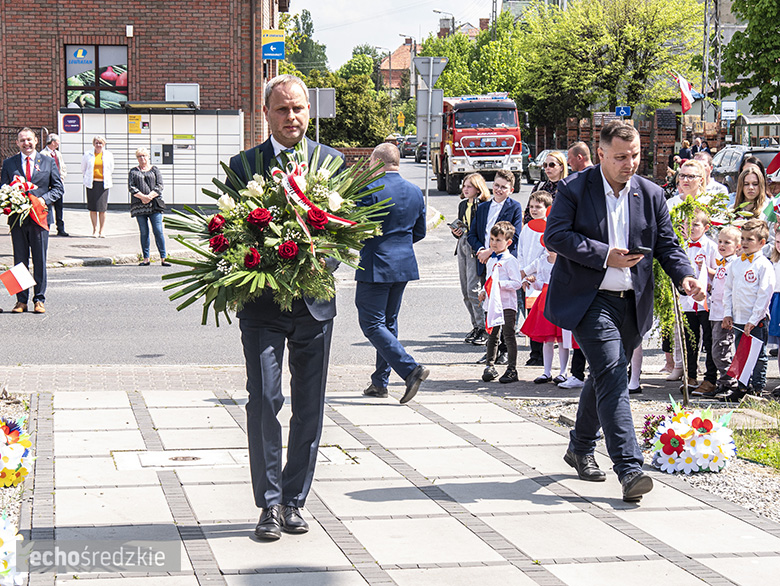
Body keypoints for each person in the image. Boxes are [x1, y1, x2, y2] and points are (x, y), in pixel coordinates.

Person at [544, 121, 703, 502]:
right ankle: (630, 468)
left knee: (604, 375)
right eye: (620, 157)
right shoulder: (574, 188)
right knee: (614, 374)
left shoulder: (650, 193)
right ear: (601, 154)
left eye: (634, 156)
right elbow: (556, 235)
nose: (629, 163)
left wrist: (686, 276)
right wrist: (605, 256)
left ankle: (580, 446)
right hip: (589, 300)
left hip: (632, 302)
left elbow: (667, 245)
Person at [226, 74, 345, 541]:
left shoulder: (331, 162)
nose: (291, 116)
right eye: (282, 109)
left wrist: (316, 262)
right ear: (266, 113)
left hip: (314, 305)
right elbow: (228, 234)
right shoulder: (244, 165)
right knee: (264, 401)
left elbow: (345, 232)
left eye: (298, 108)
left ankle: (294, 501)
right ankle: (269, 504)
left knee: (309, 406)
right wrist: (261, 263)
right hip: (262, 305)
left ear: (308, 111)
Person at [355, 143, 429, 403]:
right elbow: (420, 231)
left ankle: (410, 369)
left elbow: (355, 227)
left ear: (376, 161)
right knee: (388, 323)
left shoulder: (369, 189)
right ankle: (380, 382)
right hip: (404, 264)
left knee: (371, 323)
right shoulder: (415, 191)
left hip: (376, 263)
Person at [0, 127, 64, 314]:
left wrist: (43, 200)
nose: (26, 143)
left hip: (40, 218)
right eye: (22, 140)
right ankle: (21, 301)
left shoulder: (48, 161)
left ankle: (39, 299)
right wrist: (10, 199)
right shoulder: (9, 163)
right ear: (17, 143)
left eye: (29, 139)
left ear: (36, 141)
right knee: (19, 260)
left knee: (39, 259)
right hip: (17, 219)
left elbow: (58, 188)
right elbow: (3, 188)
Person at [467, 169, 524, 365]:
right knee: (489, 307)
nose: (499, 190)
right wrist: (481, 250)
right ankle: (491, 349)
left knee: (506, 309)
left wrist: (491, 251)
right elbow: (472, 234)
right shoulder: (483, 207)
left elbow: (515, 237)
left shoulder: (514, 207)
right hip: (486, 262)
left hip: (504, 263)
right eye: (497, 185)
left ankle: (505, 350)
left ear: (511, 190)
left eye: (504, 187)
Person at [721, 219, 775, 401]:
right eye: (742, 238)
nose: (744, 242)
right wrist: (727, 313)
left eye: (749, 239)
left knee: (758, 355)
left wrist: (754, 319)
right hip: (738, 317)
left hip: (756, 320)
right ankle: (742, 387)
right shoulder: (735, 264)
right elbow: (728, 290)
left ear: (761, 242)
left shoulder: (764, 265)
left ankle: (757, 389)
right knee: (741, 352)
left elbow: (764, 294)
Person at [693, 226, 740, 398]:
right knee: (715, 350)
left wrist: (729, 314)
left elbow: (731, 290)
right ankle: (724, 382)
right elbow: (718, 283)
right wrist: (706, 273)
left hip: (724, 315)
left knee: (721, 351)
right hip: (715, 311)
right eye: (720, 241)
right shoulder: (722, 263)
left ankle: (730, 383)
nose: (721, 245)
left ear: (737, 246)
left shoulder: (734, 265)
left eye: (727, 242)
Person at [479, 221, 523, 384]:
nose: (494, 243)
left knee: (508, 335)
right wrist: (484, 290)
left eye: (498, 240)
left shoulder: (510, 260)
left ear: (508, 242)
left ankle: (512, 368)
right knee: (492, 335)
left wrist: (500, 284)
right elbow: (488, 279)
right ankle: (489, 366)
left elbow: (517, 283)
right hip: (492, 304)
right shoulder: (491, 260)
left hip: (506, 304)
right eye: (492, 239)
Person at [680, 210, 718, 395]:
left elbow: (721, 272)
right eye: (687, 224)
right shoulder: (681, 246)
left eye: (695, 224)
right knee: (690, 340)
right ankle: (691, 375)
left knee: (709, 341)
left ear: (706, 227)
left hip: (706, 302)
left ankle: (710, 378)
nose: (691, 228)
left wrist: (708, 270)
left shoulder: (711, 246)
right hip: (687, 302)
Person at [521, 248, 571, 385]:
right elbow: (540, 284)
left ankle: (563, 372)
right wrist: (532, 281)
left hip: (561, 298)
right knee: (547, 339)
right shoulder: (541, 261)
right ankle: (546, 372)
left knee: (562, 339)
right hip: (545, 299)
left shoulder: (565, 260)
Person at [452, 173, 490, 346]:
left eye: (469, 186)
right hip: (462, 245)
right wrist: (456, 232)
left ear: (478, 188)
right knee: (465, 290)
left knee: (473, 289)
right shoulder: (463, 204)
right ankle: (476, 325)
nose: (465, 189)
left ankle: (483, 328)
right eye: (464, 186)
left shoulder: (482, 205)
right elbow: (462, 226)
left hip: (475, 247)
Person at [129, 147, 169, 267]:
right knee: (144, 232)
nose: (142, 158)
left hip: (154, 205)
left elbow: (160, 185)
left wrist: (149, 197)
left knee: (158, 231)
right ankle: (146, 258)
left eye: (144, 156)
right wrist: (142, 197)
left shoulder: (155, 169)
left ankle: (163, 257)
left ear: (148, 157)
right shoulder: (133, 171)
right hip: (139, 206)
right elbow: (131, 187)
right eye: (139, 156)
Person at [81, 135, 114, 238]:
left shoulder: (108, 155)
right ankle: (95, 230)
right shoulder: (88, 154)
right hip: (92, 184)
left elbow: (111, 168)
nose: (98, 145)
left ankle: (101, 230)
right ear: (93, 144)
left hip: (103, 184)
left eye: (100, 143)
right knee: (93, 208)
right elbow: (83, 168)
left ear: (104, 144)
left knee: (102, 209)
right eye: (96, 143)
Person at [526, 150, 567, 223]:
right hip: (538, 227)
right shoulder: (540, 186)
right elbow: (528, 212)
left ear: (561, 167)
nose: (547, 168)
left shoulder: (567, 188)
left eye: (552, 165)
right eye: (545, 165)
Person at [41, 133, 68, 236]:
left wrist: (62, 177)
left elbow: (63, 167)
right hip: (48, 184)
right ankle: (46, 227)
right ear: (52, 142)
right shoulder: (43, 154)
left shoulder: (58, 154)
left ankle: (60, 228)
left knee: (59, 207)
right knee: (47, 206)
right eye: (57, 141)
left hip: (58, 183)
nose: (58, 143)